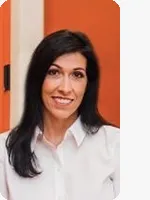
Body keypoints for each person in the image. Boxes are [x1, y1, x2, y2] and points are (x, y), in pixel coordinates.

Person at [0, 29, 119, 200]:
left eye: (77, 75)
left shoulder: (116, 145)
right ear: (38, 79)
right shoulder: (4, 151)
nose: (65, 88)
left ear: (87, 85)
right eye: (54, 72)